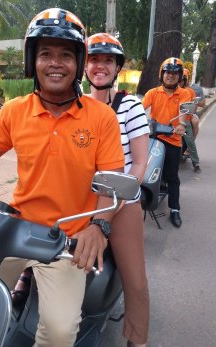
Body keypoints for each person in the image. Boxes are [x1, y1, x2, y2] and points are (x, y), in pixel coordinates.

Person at [0, 9, 125, 347]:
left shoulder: (102, 117)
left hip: (65, 239)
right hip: (14, 228)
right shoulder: (14, 110)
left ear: (79, 63)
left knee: (60, 331)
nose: (56, 63)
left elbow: (112, 180)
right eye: (46, 54)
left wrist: (99, 226)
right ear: (32, 61)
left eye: (66, 54)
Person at [86, 33, 150, 347]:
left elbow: (138, 165)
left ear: (117, 67)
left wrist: (117, 200)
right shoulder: (78, 107)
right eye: (94, 59)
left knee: (134, 279)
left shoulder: (131, 108)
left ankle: (137, 339)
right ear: (84, 66)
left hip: (122, 201)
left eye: (107, 60)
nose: (100, 66)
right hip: (84, 202)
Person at [142, 57, 191, 228]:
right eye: (167, 72)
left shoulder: (184, 94)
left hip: (173, 140)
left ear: (179, 76)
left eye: (174, 73)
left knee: (172, 177)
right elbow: (140, 109)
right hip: (155, 138)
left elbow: (184, 111)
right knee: (143, 169)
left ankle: (175, 209)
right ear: (161, 74)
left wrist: (182, 124)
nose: (170, 76)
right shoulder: (152, 93)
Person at [179, 68, 202, 173]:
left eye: (183, 80)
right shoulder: (170, 91)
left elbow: (193, 106)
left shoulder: (190, 92)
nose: (180, 82)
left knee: (190, 140)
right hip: (171, 120)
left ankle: (196, 163)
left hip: (186, 119)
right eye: (179, 80)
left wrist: (191, 111)